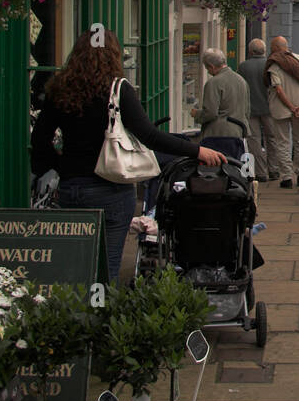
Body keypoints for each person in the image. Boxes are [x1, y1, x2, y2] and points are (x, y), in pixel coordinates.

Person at [30, 29, 224, 284]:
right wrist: (197, 150)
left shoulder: (60, 89)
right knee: (106, 268)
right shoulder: (118, 89)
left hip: (71, 188)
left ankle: (74, 317)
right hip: (109, 187)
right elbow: (149, 135)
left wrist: (62, 165)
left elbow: (39, 140)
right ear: (114, 56)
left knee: (76, 264)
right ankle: (99, 314)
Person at [265, 35, 299, 188]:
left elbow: (278, 89)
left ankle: (287, 177)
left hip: (281, 109)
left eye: (271, 48)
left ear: (276, 48)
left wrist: (290, 106)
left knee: (283, 143)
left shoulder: (274, 64)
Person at [238, 39, 275, 182]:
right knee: (272, 139)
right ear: (264, 50)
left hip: (250, 109)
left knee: (254, 141)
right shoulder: (270, 65)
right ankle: (274, 169)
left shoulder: (243, 67)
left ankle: (260, 172)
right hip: (269, 107)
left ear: (250, 51)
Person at [198, 48, 250, 140]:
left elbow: (210, 112)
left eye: (207, 69)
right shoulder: (241, 80)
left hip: (218, 134)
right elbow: (247, 109)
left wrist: (197, 115)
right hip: (238, 131)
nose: (208, 72)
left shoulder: (213, 83)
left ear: (212, 66)